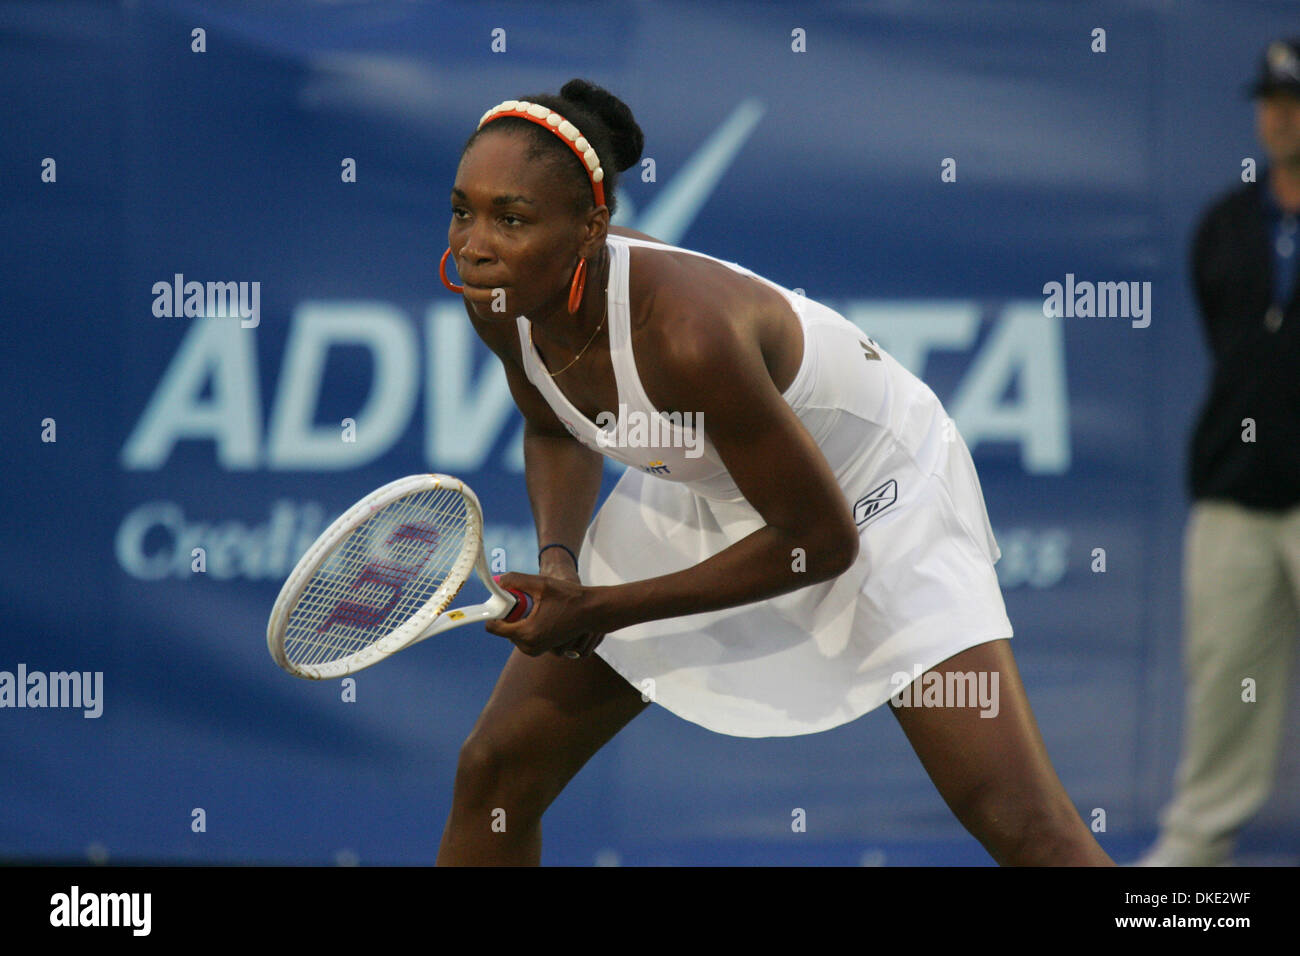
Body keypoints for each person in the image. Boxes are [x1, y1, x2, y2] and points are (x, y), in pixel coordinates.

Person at [434, 78, 1113, 866]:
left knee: (1022, 822)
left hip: (873, 497)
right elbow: (555, 424)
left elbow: (820, 544)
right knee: (494, 773)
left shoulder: (689, 335)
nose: (474, 244)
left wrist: (604, 608)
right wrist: (562, 562)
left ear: (592, 228)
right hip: (711, 483)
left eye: (511, 219)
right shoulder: (496, 296)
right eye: (462, 211)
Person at [1137, 39, 1300, 867]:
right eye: (1269, 98)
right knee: (1224, 683)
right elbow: (1230, 343)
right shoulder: (1227, 225)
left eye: (1294, 97)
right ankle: (1195, 853)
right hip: (1236, 497)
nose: (1278, 113)